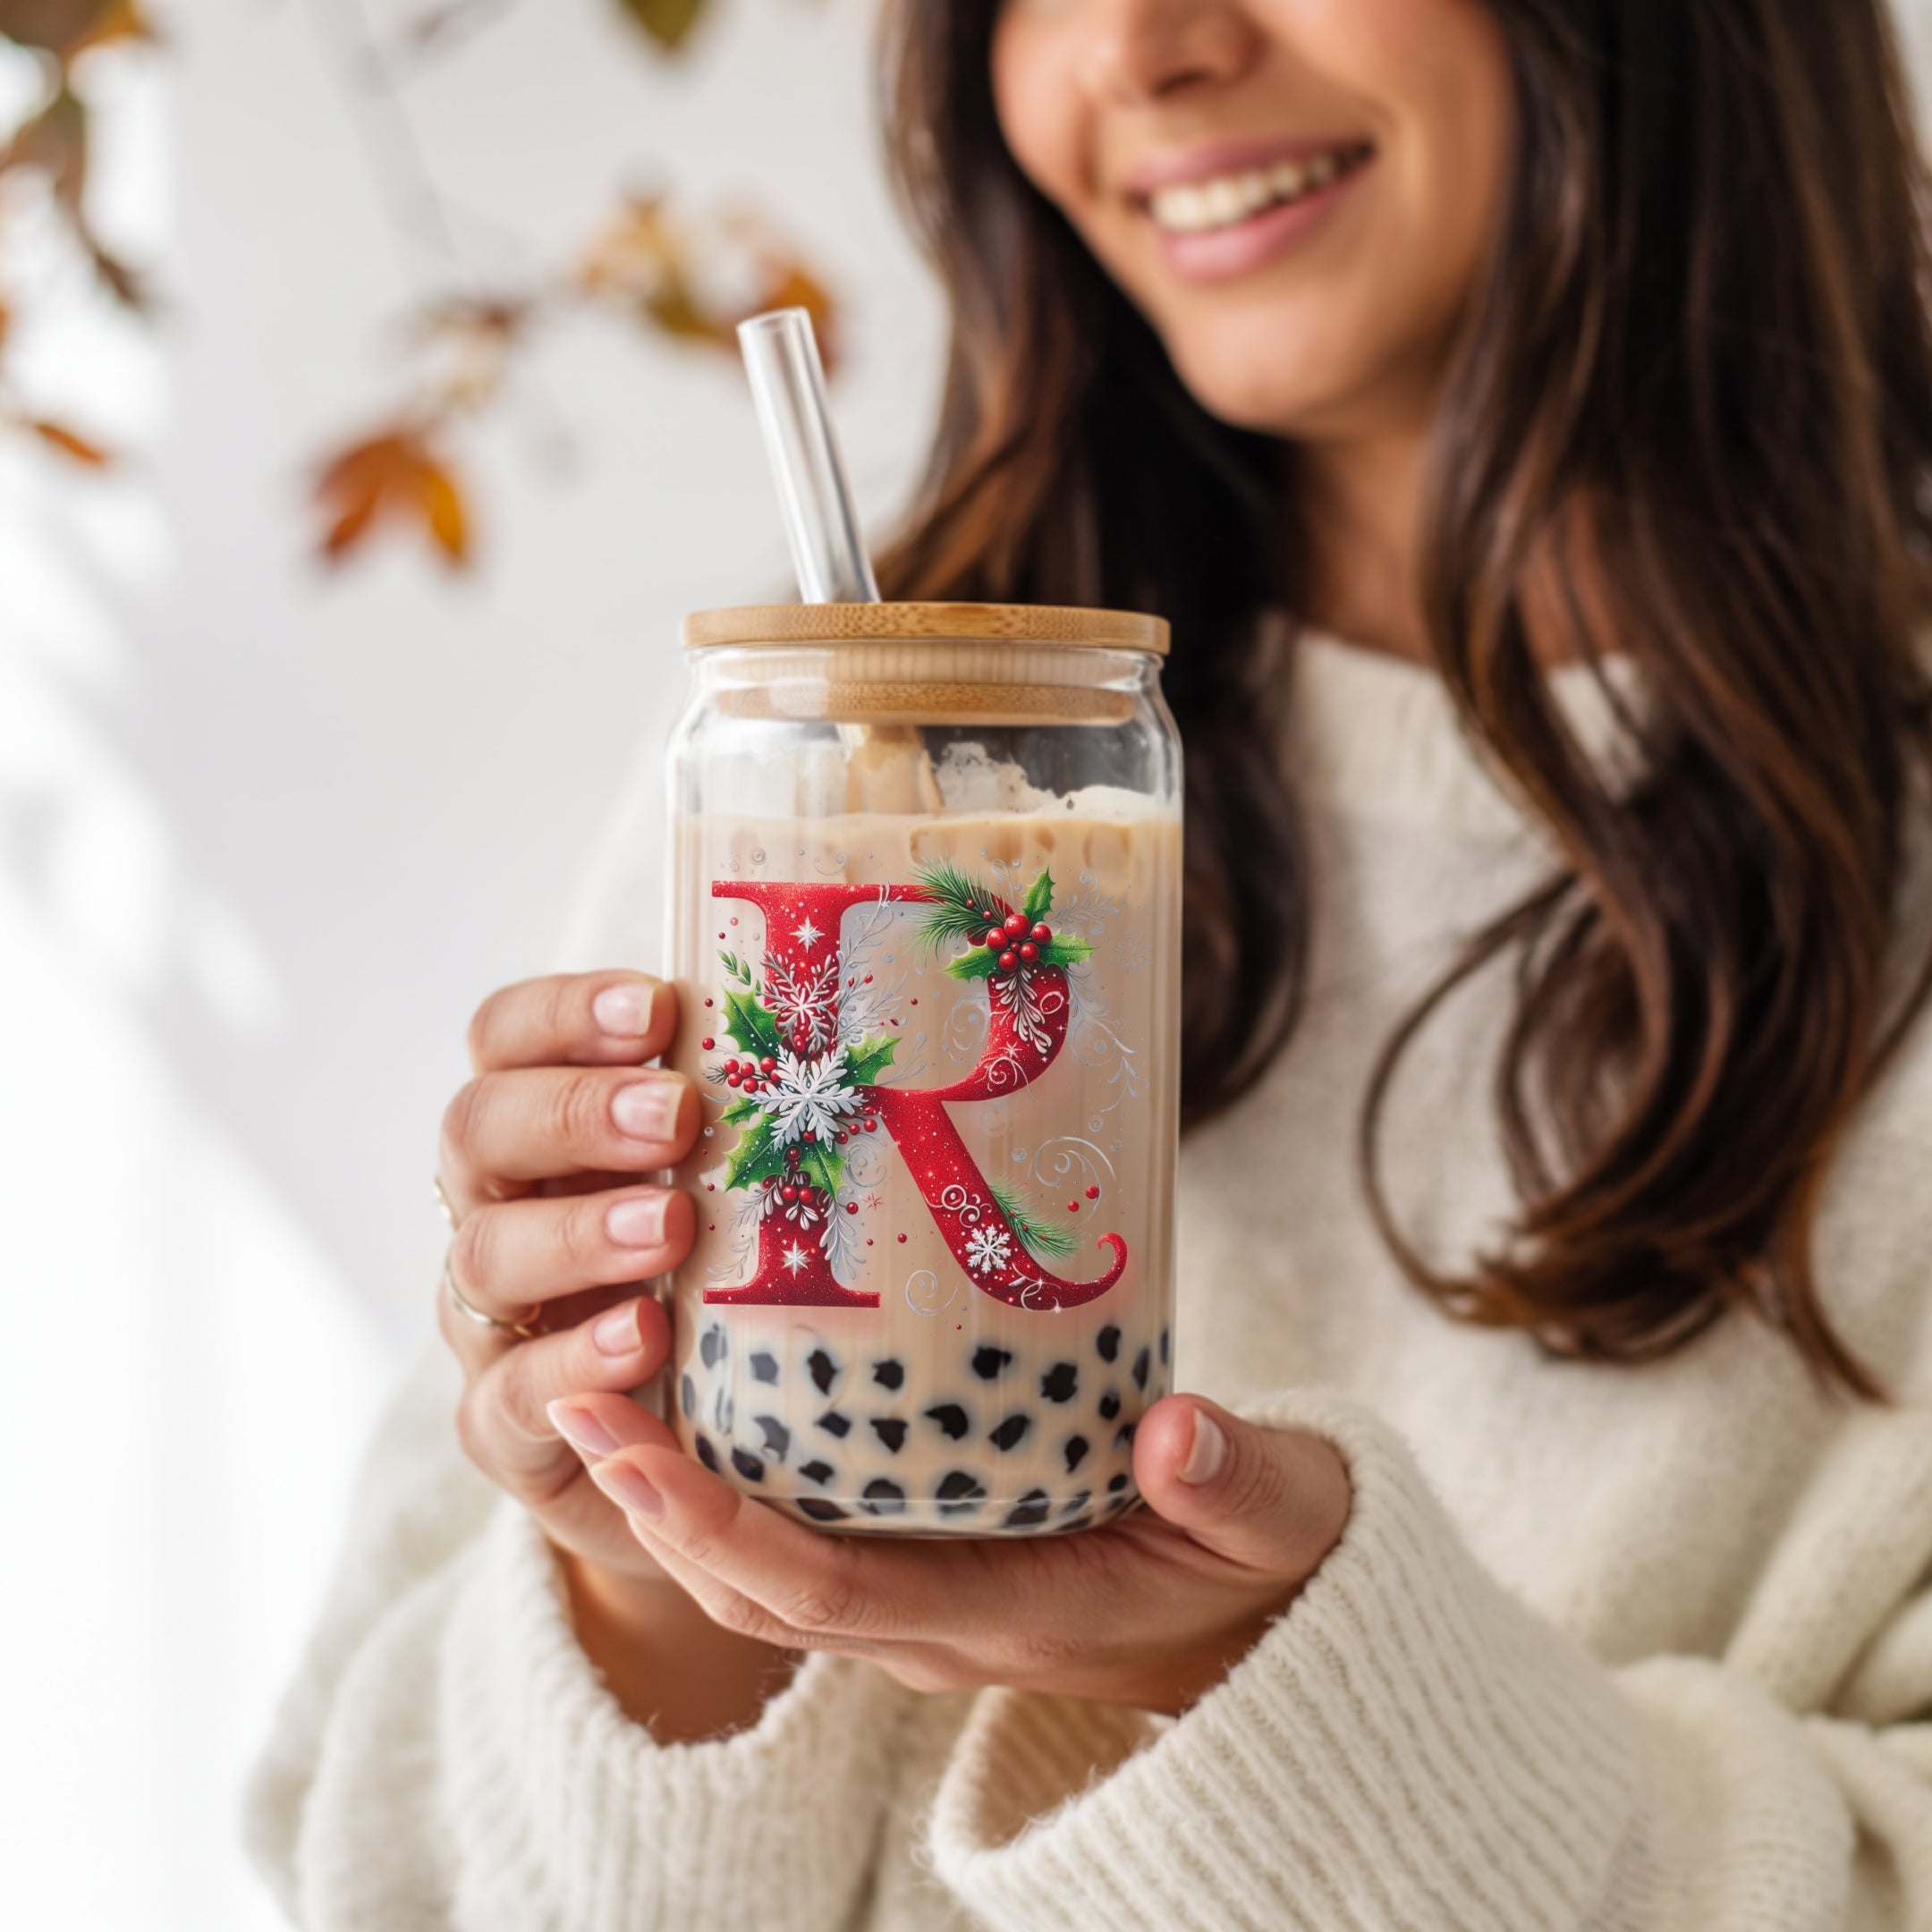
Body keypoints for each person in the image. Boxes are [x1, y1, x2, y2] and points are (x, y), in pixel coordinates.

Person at [247, 2, 1932, 1926]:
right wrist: (653, 1578)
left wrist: (1276, 1686)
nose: (1139, 46)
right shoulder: (832, 748)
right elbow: (368, 1855)